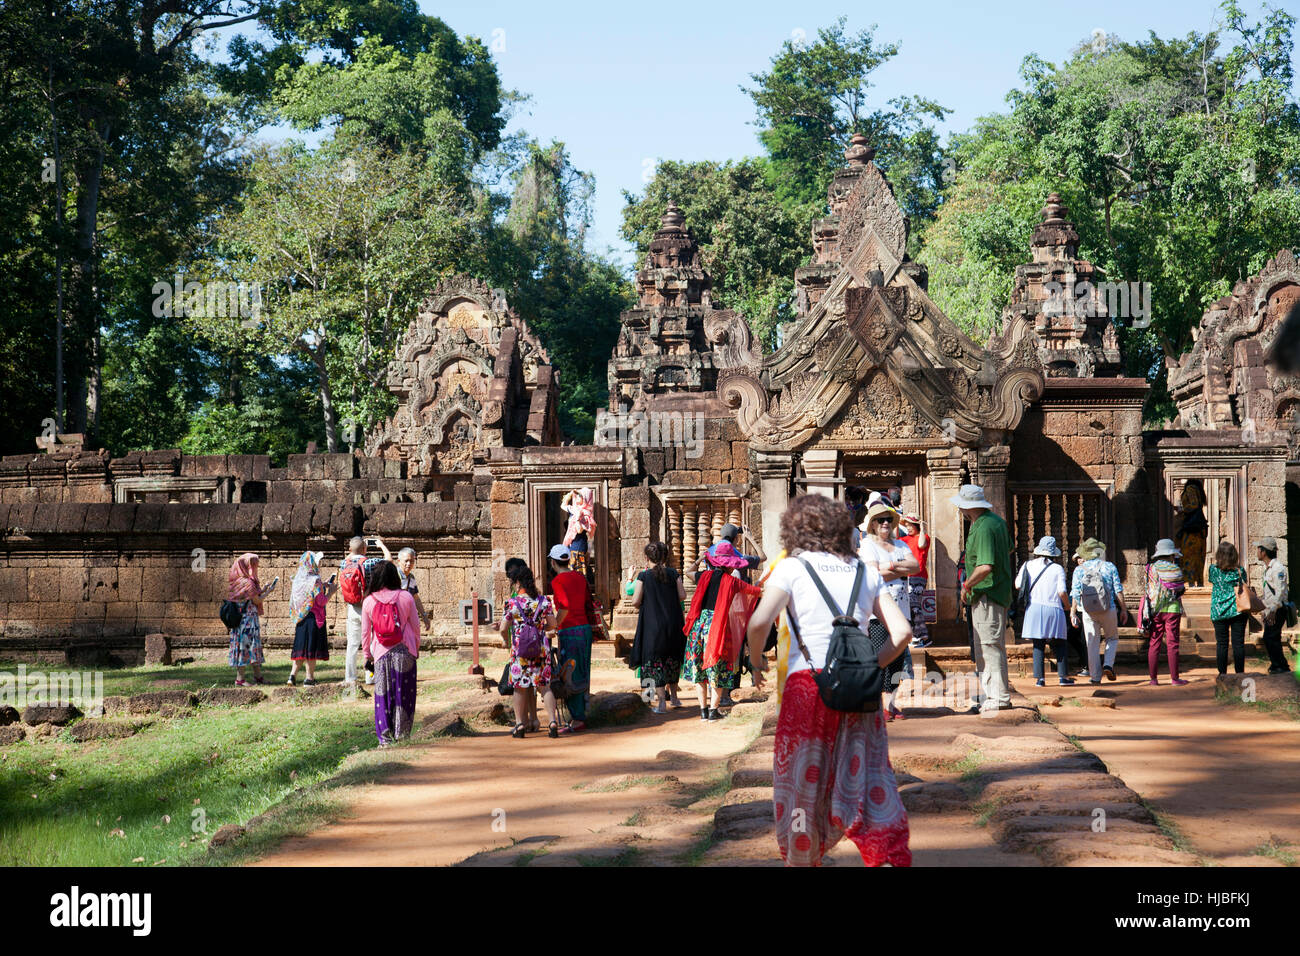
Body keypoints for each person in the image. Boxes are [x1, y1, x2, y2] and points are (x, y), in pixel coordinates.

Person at [745, 493, 912, 868]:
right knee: (871, 780)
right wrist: (871, 668)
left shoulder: (791, 568)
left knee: (802, 786)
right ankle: (884, 854)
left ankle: (804, 857)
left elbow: (758, 623)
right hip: (859, 691)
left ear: (794, 528)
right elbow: (902, 633)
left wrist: (756, 662)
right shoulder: (865, 571)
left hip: (808, 687)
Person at [683, 540, 762, 720]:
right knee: (718, 668)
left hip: (699, 626)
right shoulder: (732, 581)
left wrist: (699, 560)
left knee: (699, 669)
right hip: (719, 626)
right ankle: (713, 711)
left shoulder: (703, 577)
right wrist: (759, 584)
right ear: (731, 565)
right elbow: (755, 592)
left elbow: (688, 572)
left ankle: (703, 711)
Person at [955, 484, 1014, 712]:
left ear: (966, 506)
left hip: (987, 592)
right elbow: (1008, 549)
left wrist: (966, 584)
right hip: (990, 592)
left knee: (989, 646)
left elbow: (985, 566)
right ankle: (990, 694)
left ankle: (998, 697)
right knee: (986, 646)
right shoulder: (994, 522)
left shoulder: (983, 527)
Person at [858, 502, 919, 719]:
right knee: (880, 655)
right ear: (872, 524)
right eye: (880, 520)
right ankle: (877, 704)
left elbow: (916, 567)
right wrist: (898, 567)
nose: (885, 523)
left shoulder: (901, 545)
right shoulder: (867, 545)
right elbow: (873, 573)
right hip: (878, 610)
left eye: (887, 520)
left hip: (901, 608)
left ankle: (891, 705)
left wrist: (889, 567)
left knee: (897, 659)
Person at [361, 561, 420, 745]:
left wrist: (367, 656)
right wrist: (414, 649)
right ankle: (402, 735)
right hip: (405, 651)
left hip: (380, 653)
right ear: (395, 576)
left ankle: (385, 739)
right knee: (404, 694)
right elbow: (416, 626)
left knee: (383, 695)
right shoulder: (406, 597)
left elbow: (365, 633)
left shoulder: (369, 601)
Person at [498, 562, 560, 739]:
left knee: (520, 687)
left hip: (520, 651)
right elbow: (553, 624)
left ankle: (519, 725)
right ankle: (552, 721)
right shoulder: (543, 601)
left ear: (518, 583)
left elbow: (503, 628)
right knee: (545, 686)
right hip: (541, 648)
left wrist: (505, 639)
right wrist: (540, 628)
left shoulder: (512, 603)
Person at [628, 541, 687, 713]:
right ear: (664, 557)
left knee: (655, 661)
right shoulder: (673, 573)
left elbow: (636, 601)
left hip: (652, 625)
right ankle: (674, 698)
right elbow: (682, 595)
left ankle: (661, 703)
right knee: (672, 658)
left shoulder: (644, 576)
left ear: (646, 558)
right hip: (673, 623)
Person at [549, 544, 593, 733]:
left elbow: (564, 606)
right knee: (582, 669)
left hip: (570, 630)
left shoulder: (558, 581)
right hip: (584, 629)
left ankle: (577, 718)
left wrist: (555, 624)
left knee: (569, 672)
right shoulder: (580, 577)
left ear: (553, 562)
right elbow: (587, 603)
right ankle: (582, 710)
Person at [1069, 538, 1126, 684]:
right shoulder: (1109, 566)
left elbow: (1075, 593)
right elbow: (1118, 590)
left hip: (1088, 610)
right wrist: (1123, 609)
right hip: (1109, 608)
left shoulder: (1079, 570)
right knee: (1112, 638)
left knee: (1092, 642)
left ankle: (1095, 677)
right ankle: (1108, 664)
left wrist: (1073, 612)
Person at [1016, 537, 1071, 686]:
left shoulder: (1028, 565)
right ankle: (1063, 677)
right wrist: (1068, 606)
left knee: (1038, 643)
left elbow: (1017, 585)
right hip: (1054, 608)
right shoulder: (1057, 568)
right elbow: (1061, 592)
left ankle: (1040, 679)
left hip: (1034, 607)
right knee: (1060, 642)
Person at [339, 535, 391, 686]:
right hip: (368, 605)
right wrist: (381, 545)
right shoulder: (370, 563)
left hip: (352, 607)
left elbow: (352, 554)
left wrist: (356, 548)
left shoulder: (344, 564)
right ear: (364, 549)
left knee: (352, 644)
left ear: (350, 550)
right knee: (372, 641)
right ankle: (371, 676)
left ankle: (350, 677)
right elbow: (389, 560)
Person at [288, 551, 336, 686]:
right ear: (312, 564)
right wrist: (330, 592)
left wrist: (322, 586)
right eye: (317, 562)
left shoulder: (298, 579)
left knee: (301, 647)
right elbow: (321, 601)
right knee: (311, 649)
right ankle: (309, 678)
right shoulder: (315, 581)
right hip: (314, 619)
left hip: (301, 618)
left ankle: (292, 676)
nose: (319, 564)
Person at [1145, 539, 1188, 686]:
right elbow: (1180, 589)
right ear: (1171, 554)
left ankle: (1153, 679)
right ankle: (1175, 678)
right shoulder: (1175, 569)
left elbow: (1147, 588)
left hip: (1155, 609)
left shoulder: (1150, 568)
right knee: (1173, 643)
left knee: (1154, 642)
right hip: (1172, 609)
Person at [226, 553, 270, 686]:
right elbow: (256, 600)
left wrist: (263, 589)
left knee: (248, 647)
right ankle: (240, 679)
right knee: (247, 648)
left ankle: (258, 677)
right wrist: (269, 592)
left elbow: (248, 597)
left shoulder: (236, 582)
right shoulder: (248, 582)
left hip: (239, 621)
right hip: (248, 622)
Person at [1208, 541, 1249, 675]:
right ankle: (1239, 674)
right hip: (1238, 610)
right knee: (1238, 644)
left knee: (1221, 644)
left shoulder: (1213, 570)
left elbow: (1211, 580)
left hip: (1219, 611)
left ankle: (1222, 675)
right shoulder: (1239, 571)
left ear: (1219, 555)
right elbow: (1244, 582)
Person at [897, 513, 932, 650]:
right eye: (907, 525)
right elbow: (896, 540)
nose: (908, 527)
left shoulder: (924, 537)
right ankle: (919, 636)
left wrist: (922, 528)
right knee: (910, 605)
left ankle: (923, 637)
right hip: (907, 576)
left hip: (919, 576)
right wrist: (898, 523)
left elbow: (921, 544)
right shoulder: (905, 539)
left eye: (910, 525)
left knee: (914, 605)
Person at [1256, 538, 1291, 674]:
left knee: (1271, 637)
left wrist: (1272, 610)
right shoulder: (1267, 568)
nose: (1257, 552)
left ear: (1264, 552)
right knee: (1272, 637)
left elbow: (1280, 592)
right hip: (1270, 609)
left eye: (1259, 549)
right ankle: (1278, 665)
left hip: (1277, 610)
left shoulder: (1278, 568)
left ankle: (1280, 665)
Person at [395, 547, 431, 631]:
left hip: (406, 616)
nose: (409, 564)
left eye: (411, 561)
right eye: (406, 561)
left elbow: (415, 597)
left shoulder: (411, 577)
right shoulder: (393, 575)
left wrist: (424, 616)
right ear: (399, 561)